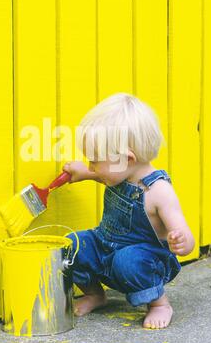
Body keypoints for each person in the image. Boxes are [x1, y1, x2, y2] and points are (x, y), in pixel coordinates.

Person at [63, 92, 195, 329]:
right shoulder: (119, 172)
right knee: (72, 245)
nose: (92, 166)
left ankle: (159, 304)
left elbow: (184, 233)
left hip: (145, 260)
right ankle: (95, 294)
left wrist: (182, 241)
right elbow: (105, 175)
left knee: (128, 261)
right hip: (105, 247)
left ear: (126, 158)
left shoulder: (159, 191)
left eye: (94, 160)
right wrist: (84, 173)